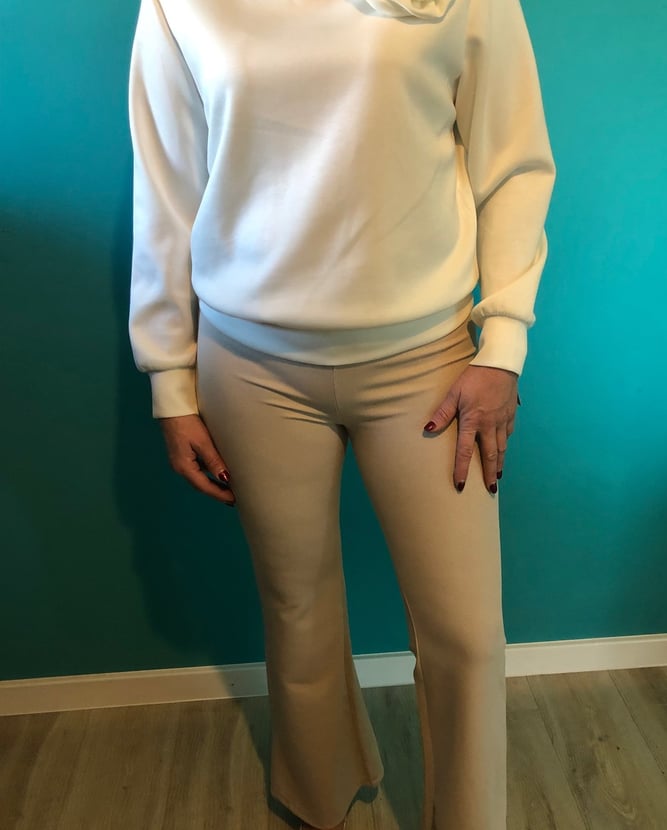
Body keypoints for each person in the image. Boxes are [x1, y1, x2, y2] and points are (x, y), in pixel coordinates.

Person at [127, 0, 555, 826]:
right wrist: (170, 378)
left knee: (466, 634)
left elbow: (515, 165)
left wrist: (502, 345)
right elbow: (166, 186)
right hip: (249, 363)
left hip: (425, 361)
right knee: (297, 606)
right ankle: (319, 798)